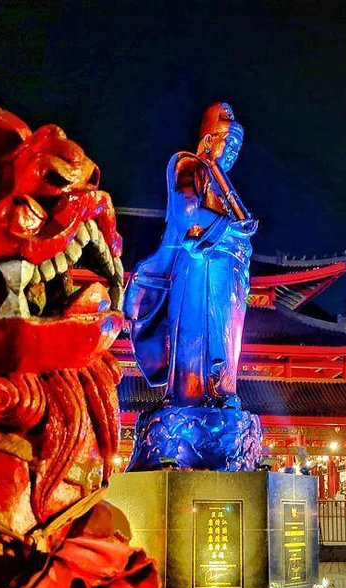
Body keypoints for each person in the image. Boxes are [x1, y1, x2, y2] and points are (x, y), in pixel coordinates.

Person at [125, 102, 258, 408]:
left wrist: (239, 234)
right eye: (230, 141)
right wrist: (232, 228)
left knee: (227, 338)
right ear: (209, 140)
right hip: (200, 265)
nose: (235, 150)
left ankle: (224, 392)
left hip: (229, 271)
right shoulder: (189, 165)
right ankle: (189, 395)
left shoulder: (224, 185)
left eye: (239, 145)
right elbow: (190, 220)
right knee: (197, 335)